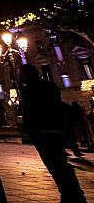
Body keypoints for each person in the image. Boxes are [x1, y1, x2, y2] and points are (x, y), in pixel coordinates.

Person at [19, 64, 87, 203]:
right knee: (61, 163)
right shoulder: (50, 86)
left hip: (41, 131)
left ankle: (69, 195)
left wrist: (29, 127)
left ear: (28, 74)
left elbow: (29, 112)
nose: (20, 77)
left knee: (54, 165)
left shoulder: (28, 90)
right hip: (56, 130)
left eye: (22, 74)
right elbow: (56, 105)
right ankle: (74, 193)